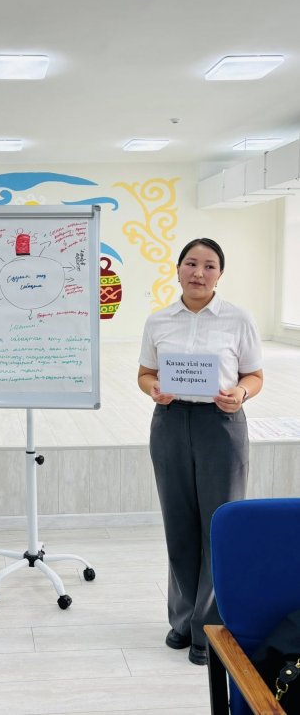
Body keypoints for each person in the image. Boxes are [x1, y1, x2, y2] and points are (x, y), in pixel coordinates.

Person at [137, 237, 263, 666]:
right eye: (191, 263)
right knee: (179, 525)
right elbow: (145, 372)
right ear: (177, 270)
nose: (199, 272)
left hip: (221, 425)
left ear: (219, 274)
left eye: (209, 266)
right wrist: (153, 389)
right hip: (170, 423)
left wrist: (241, 393)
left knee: (218, 527)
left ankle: (209, 631)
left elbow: (254, 374)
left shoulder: (238, 319)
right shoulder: (158, 320)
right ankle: (181, 620)